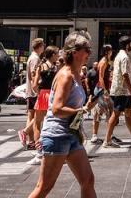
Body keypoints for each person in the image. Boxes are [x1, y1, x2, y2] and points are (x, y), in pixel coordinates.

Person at [29, 33, 97, 198]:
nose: (89, 52)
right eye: (86, 49)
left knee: (88, 180)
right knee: (44, 187)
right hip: (57, 135)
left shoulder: (75, 74)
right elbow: (57, 109)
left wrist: (83, 108)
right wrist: (80, 111)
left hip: (70, 135)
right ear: (75, 52)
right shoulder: (66, 76)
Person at [104, 35, 131, 147]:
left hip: (121, 90)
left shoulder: (118, 56)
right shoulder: (124, 57)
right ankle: (107, 140)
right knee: (115, 115)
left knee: (128, 113)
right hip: (121, 91)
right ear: (127, 45)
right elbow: (125, 75)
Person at [20, 38, 46, 147]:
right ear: (40, 46)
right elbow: (34, 75)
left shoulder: (33, 57)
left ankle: (30, 140)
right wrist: (36, 89)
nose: (44, 47)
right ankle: (26, 133)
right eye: (43, 45)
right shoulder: (35, 58)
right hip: (34, 91)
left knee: (31, 115)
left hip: (31, 91)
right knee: (38, 116)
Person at [90, 44, 114, 144]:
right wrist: (105, 91)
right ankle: (104, 136)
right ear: (107, 52)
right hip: (101, 90)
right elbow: (100, 77)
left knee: (101, 112)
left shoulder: (105, 61)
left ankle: (101, 135)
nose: (112, 52)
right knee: (104, 112)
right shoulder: (104, 62)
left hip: (100, 89)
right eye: (111, 50)